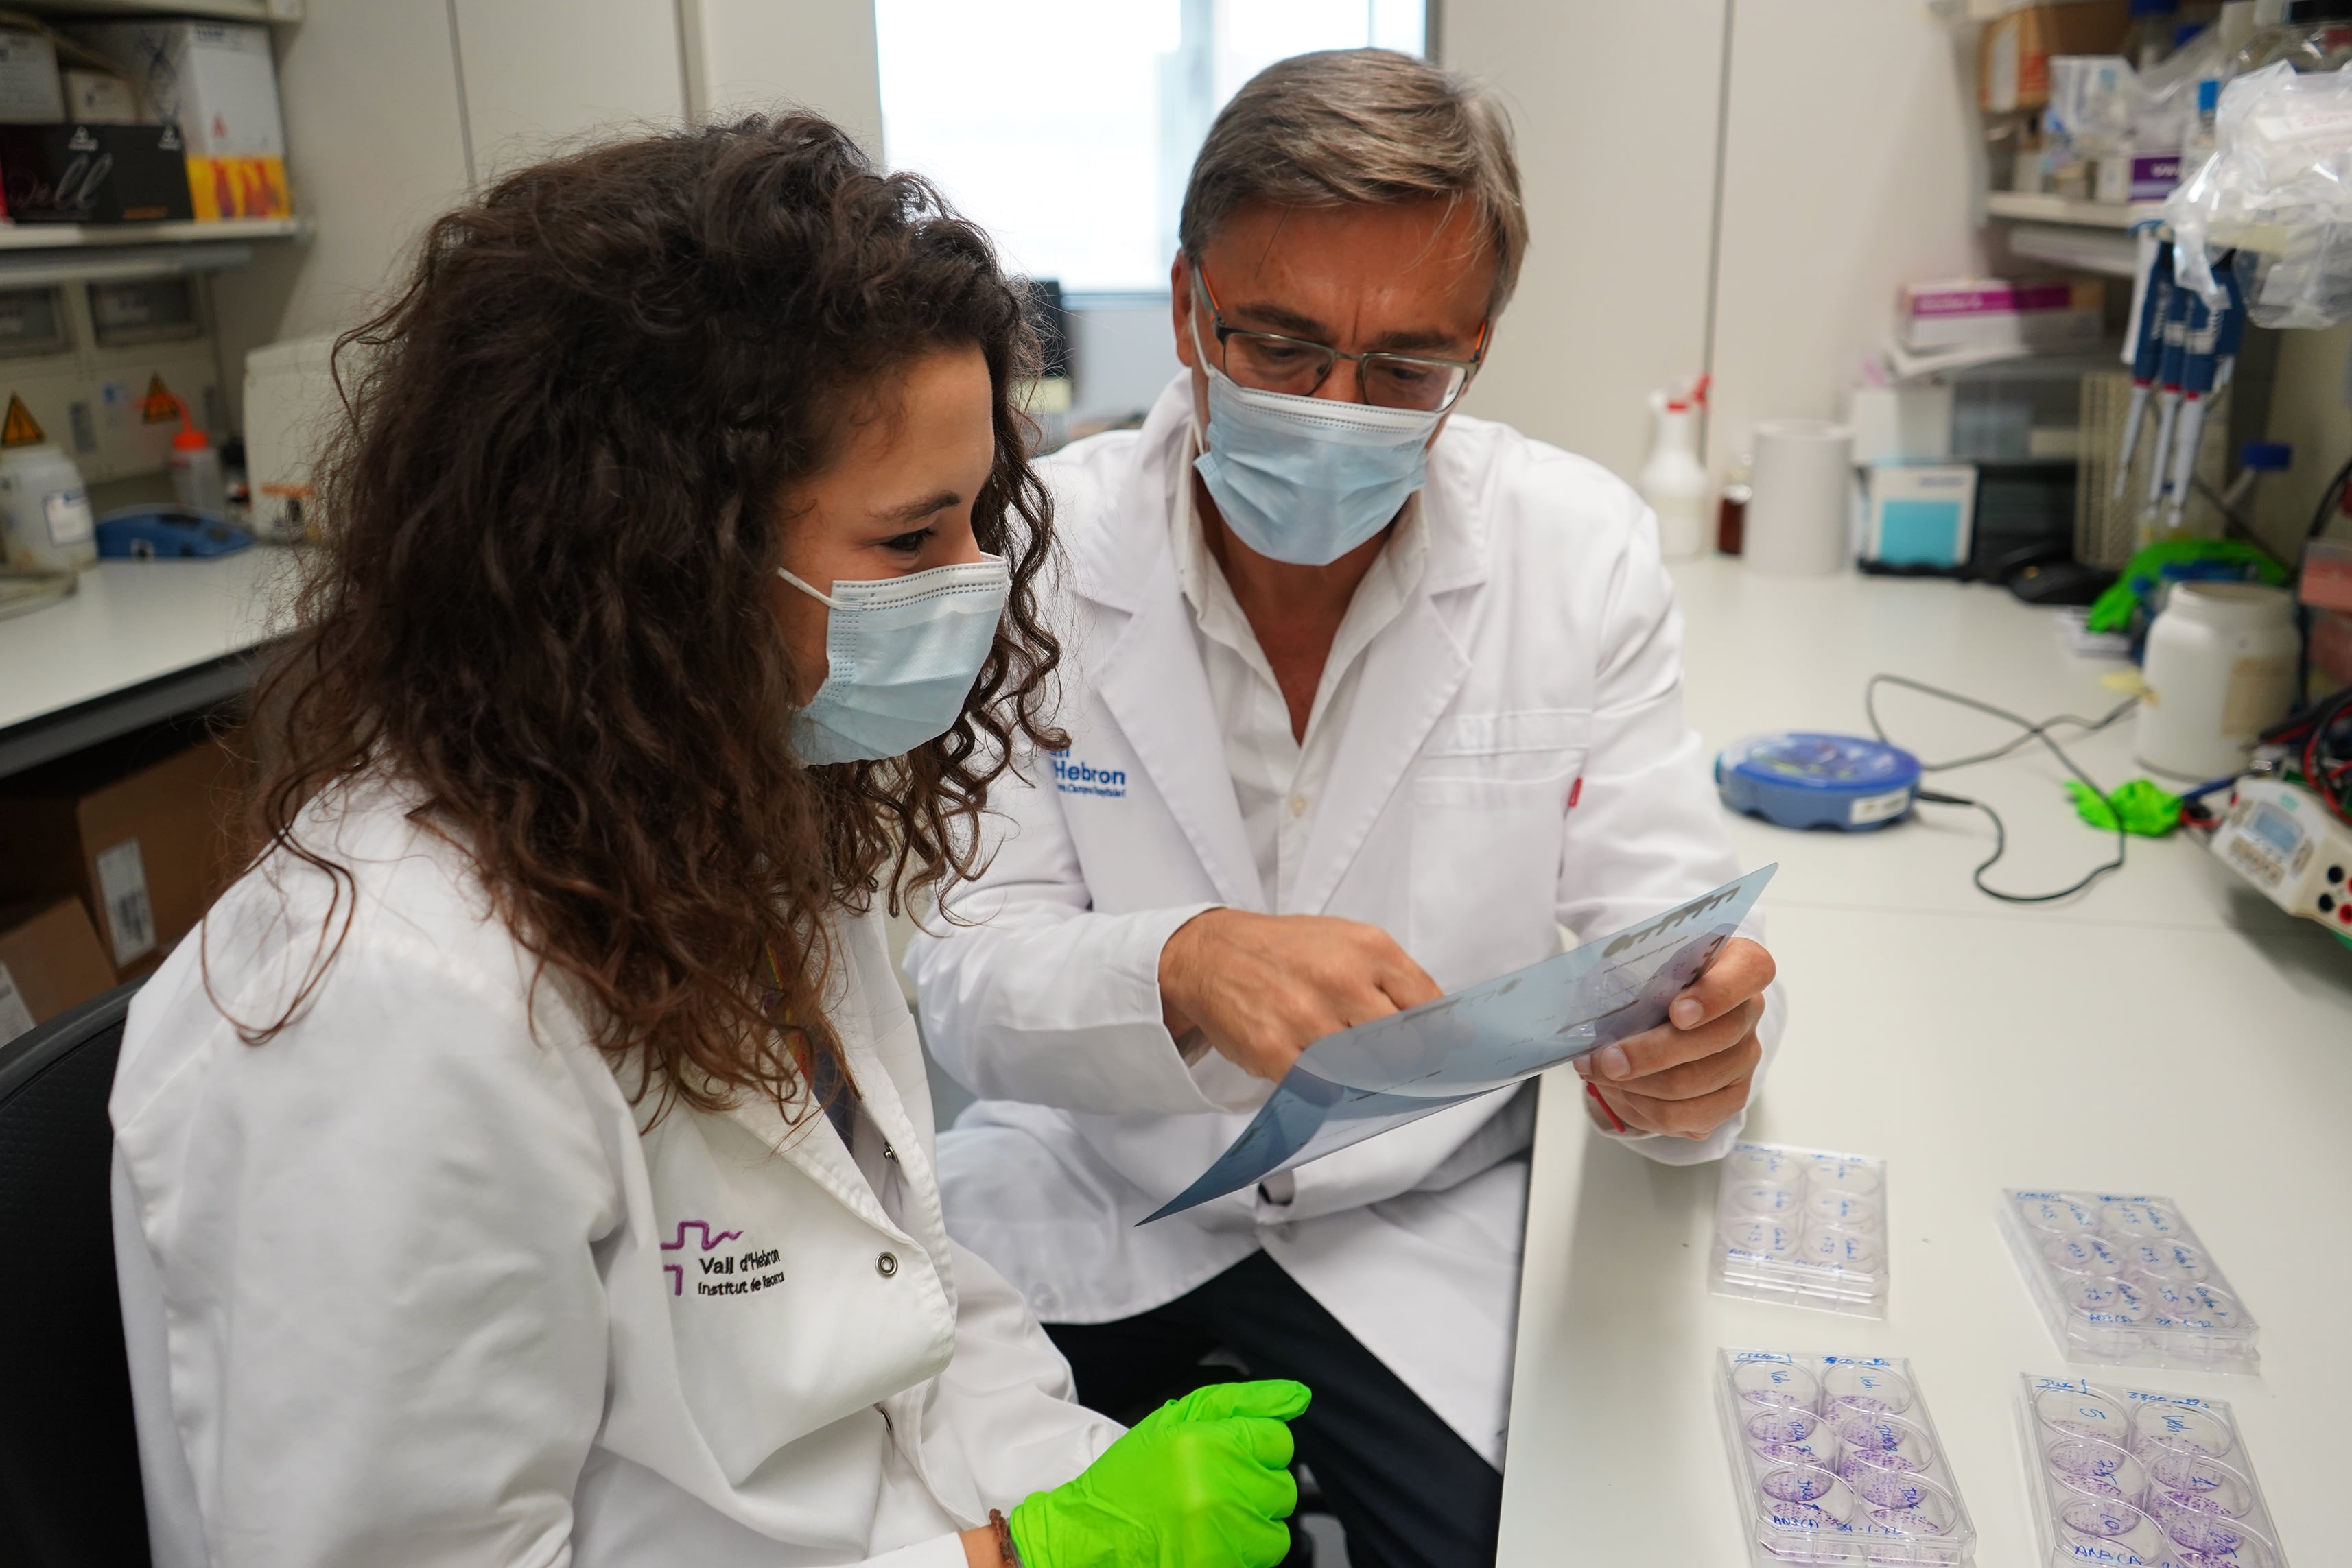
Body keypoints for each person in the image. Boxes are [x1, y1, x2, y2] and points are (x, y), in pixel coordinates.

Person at [107, 116, 1308, 1568]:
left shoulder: (720, 806)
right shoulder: (389, 1010)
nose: (982, 580)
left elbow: (902, 1281)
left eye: (984, 515)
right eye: (914, 539)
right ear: (664, 560)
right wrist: (1015, 1560)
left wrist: (1071, 1474)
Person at [905, 49, 1785, 1567]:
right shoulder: (1032, 552)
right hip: (1098, 1193)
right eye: (1280, 344)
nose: (1334, 411)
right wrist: (1177, 963)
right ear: (1188, 308)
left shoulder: (1571, 553)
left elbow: (1665, 931)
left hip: (1415, 1216)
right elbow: (954, 971)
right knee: (962, 1523)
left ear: (1477, 353)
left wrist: (1693, 1062)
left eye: (1402, 372)